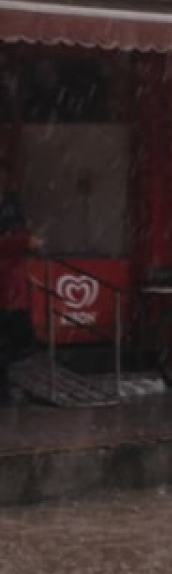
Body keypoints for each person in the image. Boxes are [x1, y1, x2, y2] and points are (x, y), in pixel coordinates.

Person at [0, 159, 43, 403]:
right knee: (17, 339)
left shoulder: (11, 204)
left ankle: (4, 387)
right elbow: (13, 239)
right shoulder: (10, 207)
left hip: (11, 288)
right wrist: (23, 242)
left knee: (20, 340)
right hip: (8, 287)